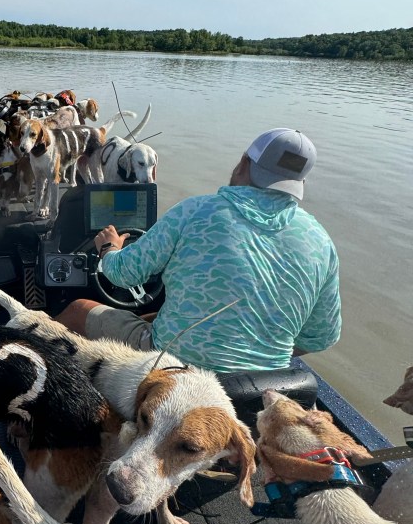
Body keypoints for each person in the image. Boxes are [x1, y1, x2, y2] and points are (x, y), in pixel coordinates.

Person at [55, 128, 341, 373]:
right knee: (153, 317)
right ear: (299, 184)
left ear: (244, 163)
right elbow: (321, 338)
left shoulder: (195, 211)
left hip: (171, 365)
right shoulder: (322, 241)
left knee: (78, 310)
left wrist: (109, 247)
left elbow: (122, 274)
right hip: (264, 386)